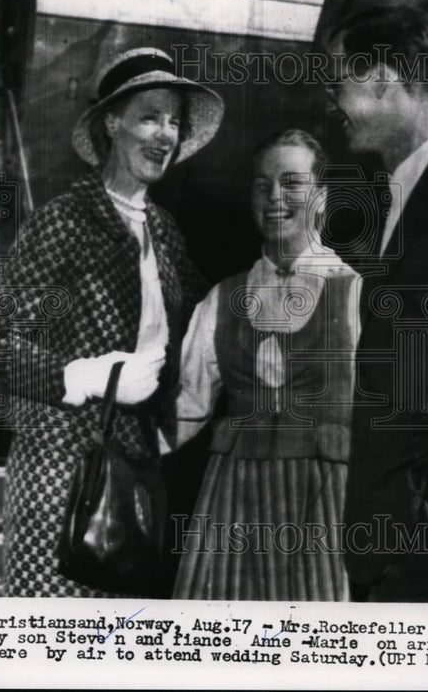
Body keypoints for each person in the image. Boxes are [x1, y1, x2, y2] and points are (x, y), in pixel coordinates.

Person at [0, 47, 224, 597]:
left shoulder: (165, 232)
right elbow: (0, 351)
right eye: (149, 116)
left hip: (134, 474)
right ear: (111, 124)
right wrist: (84, 377)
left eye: (174, 121)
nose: (164, 134)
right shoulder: (64, 223)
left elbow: (203, 327)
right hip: (60, 476)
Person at [325, 6, 428, 601]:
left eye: (339, 84)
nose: (333, 103)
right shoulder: (395, 198)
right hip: (385, 544)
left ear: (384, 78)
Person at [171, 129, 360, 601]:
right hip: (231, 506)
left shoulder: (357, 295)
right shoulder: (222, 298)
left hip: (324, 509)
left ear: (322, 196)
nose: (274, 197)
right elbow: (183, 413)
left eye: (292, 183)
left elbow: (388, 426)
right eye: (261, 185)